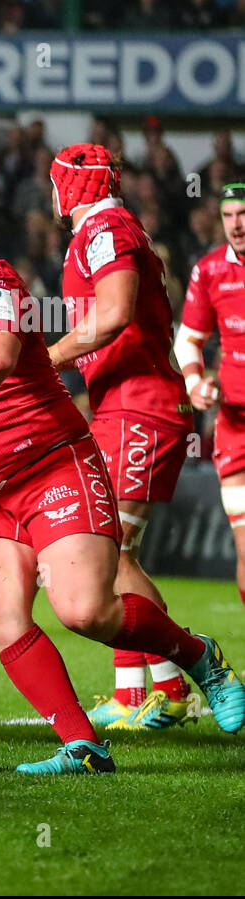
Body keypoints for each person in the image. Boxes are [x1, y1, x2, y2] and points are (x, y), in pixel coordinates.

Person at [0, 176, 243, 774]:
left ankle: (200, 657)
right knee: (2, 616)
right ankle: (82, 745)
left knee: (85, 611)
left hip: (50, 469)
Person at [44, 143, 198, 730]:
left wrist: (49, 358)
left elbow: (113, 314)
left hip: (141, 407)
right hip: (125, 405)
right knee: (109, 555)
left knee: (113, 554)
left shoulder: (105, 229)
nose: (52, 192)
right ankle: (138, 693)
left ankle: (179, 683)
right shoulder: (102, 230)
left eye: (57, 181)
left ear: (73, 186)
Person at [175, 184, 245, 613]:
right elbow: (189, 340)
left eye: (244, 214)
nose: (237, 225)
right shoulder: (210, 270)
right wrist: (195, 383)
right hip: (235, 427)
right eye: (229, 216)